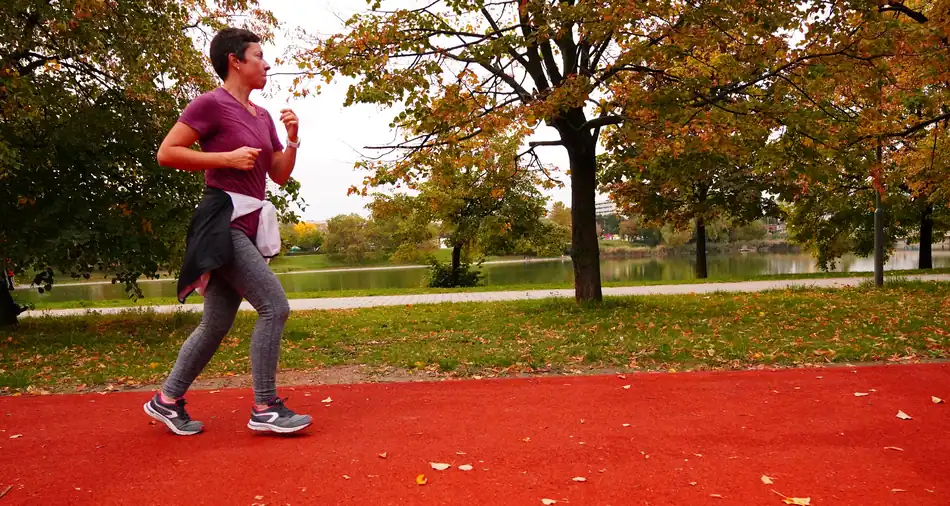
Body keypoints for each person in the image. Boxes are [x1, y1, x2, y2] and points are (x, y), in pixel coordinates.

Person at [143, 27, 311, 436]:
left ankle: (166, 400)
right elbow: (167, 153)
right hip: (223, 222)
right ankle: (266, 406)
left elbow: (279, 175)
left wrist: (291, 141)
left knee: (216, 323)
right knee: (275, 307)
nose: (267, 63)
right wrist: (225, 158)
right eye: (259, 55)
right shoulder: (211, 105)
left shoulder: (262, 116)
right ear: (235, 61)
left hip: (250, 224)